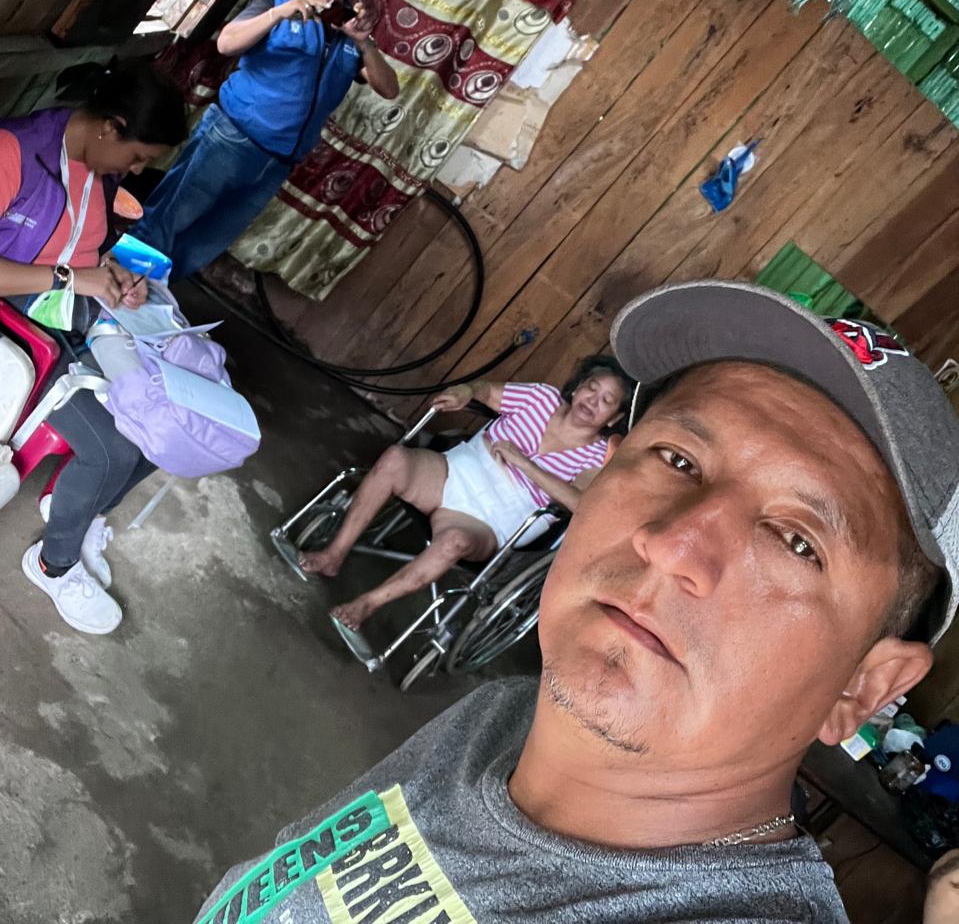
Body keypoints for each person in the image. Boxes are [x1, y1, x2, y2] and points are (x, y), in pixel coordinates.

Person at [195, 279, 959, 924]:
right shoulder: (498, 719)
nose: (672, 545)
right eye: (676, 458)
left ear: (862, 686)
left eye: (796, 541)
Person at [0, 60, 187, 635]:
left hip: (67, 320)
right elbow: (60, 268)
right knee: (112, 448)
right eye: (138, 157)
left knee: (170, 421)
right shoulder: (14, 152)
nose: (136, 170)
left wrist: (112, 276)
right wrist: (70, 280)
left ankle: (78, 509)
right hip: (22, 333)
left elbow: (84, 250)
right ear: (110, 127)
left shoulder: (97, 170)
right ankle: (53, 564)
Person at [300, 357, 634, 655]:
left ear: (614, 417)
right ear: (577, 387)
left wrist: (524, 463)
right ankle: (334, 554)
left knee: (453, 542)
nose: (593, 401)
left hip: (495, 518)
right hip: (455, 472)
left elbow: (580, 503)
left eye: (607, 401)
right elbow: (485, 391)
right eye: (591, 388)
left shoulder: (597, 456)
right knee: (395, 460)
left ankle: (367, 603)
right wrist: (466, 391)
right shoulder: (541, 398)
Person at [135, 0, 400, 281]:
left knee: (205, 242)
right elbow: (226, 44)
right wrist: (279, 14)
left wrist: (364, 44)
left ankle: (149, 298)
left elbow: (389, 88)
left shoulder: (349, 30)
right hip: (230, 137)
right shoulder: (278, 0)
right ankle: (113, 289)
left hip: (276, 163)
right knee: (168, 218)